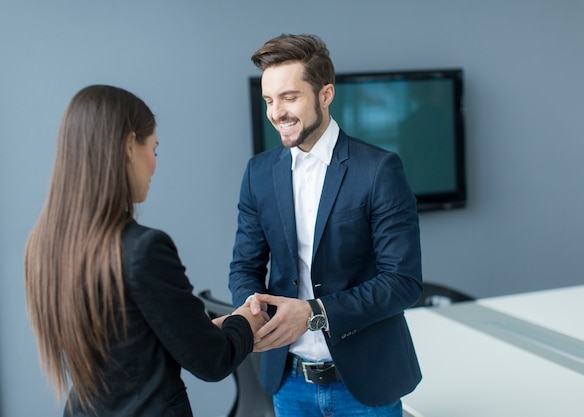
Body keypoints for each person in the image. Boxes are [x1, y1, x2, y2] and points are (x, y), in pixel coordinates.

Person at [24, 85, 267, 417]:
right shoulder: (143, 249)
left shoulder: (43, 248)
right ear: (128, 146)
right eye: (153, 148)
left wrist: (207, 328)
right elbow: (212, 362)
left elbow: (129, 348)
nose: (153, 164)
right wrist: (246, 320)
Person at [229, 34, 423, 417]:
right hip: (289, 384)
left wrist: (316, 312)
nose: (276, 112)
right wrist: (251, 308)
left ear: (325, 94)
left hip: (366, 385)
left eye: (289, 97)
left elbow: (402, 282)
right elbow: (244, 266)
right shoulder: (258, 173)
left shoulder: (379, 170)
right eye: (269, 100)